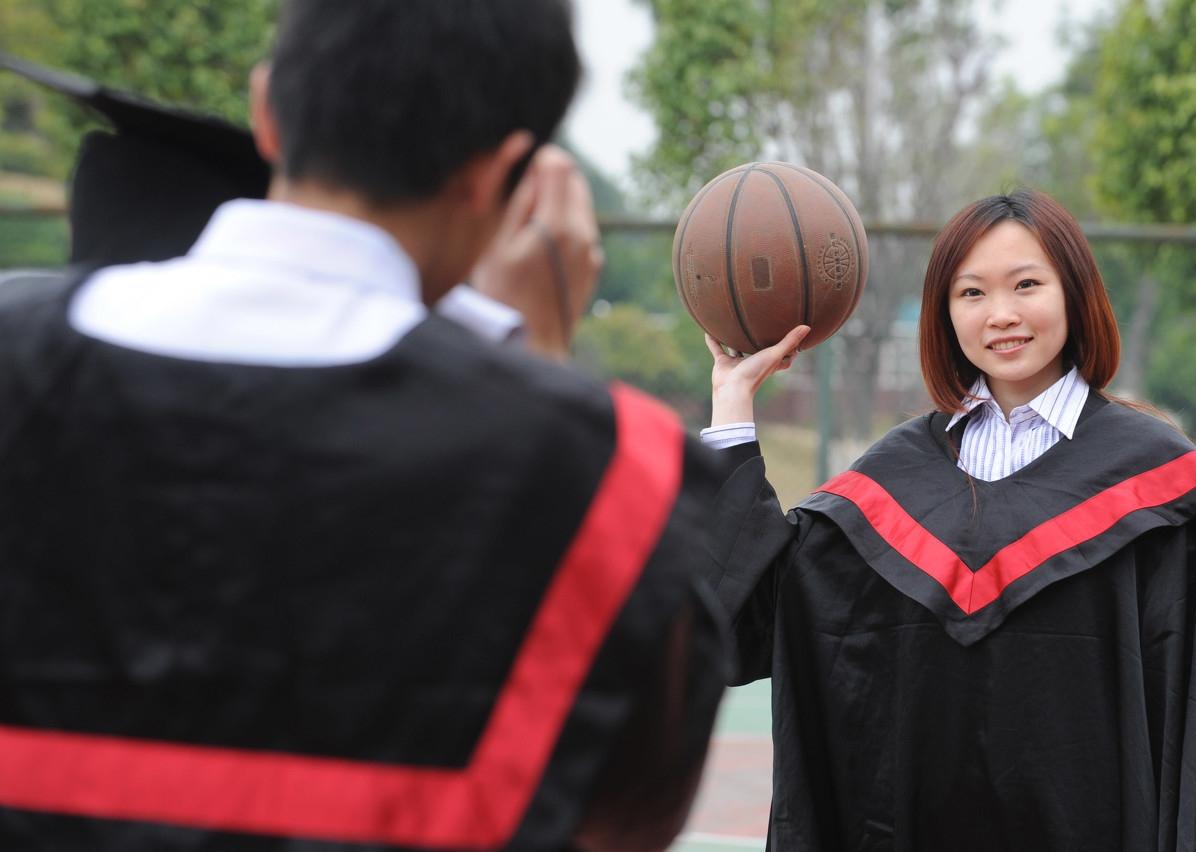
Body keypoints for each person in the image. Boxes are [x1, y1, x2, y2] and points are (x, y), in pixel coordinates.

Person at [0, 2, 728, 850]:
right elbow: (624, 817)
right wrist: (539, 369)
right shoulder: (602, 476)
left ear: (268, 109)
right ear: (507, 177)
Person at [700, 190, 1196, 851]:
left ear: (1074, 293)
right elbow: (744, 621)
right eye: (971, 294)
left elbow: (1181, 716)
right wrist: (731, 404)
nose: (1002, 315)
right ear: (945, 314)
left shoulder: (1156, 484)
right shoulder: (890, 482)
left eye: (1027, 285)